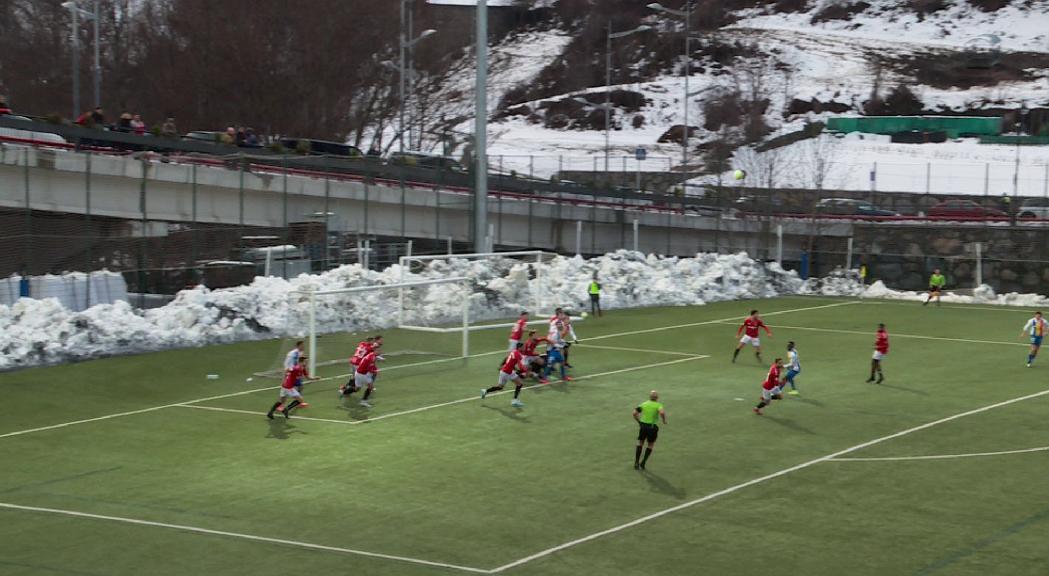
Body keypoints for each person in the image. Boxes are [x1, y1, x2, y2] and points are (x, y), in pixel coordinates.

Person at [482, 343, 527, 407]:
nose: (524, 348)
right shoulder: (518, 354)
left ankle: (485, 391)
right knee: (519, 384)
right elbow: (520, 366)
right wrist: (523, 370)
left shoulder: (513, 351)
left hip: (505, 371)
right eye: (523, 347)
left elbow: (508, 361)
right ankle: (514, 401)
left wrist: (518, 371)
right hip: (507, 373)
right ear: (520, 347)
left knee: (500, 387)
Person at [633, 390, 666, 470]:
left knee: (640, 443)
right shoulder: (658, 405)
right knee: (650, 445)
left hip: (643, 426)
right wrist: (664, 420)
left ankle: (636, 462)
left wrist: (639, 422)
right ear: (657, 398)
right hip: (652, 427)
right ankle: (643, 462)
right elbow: (661, 413)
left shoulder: (644, 404)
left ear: (650, 397)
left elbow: (634, 413)